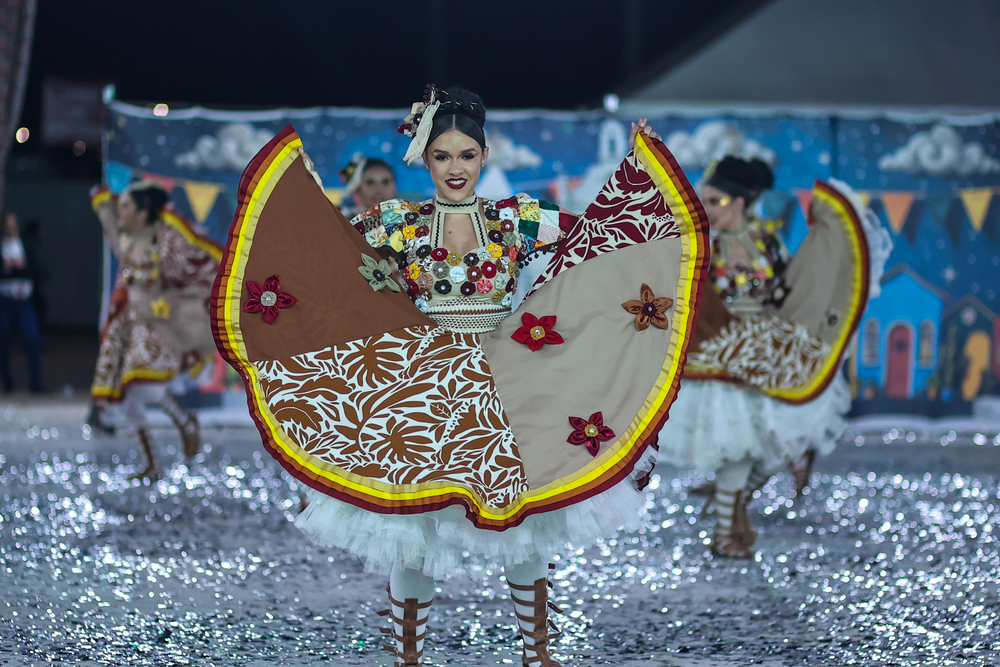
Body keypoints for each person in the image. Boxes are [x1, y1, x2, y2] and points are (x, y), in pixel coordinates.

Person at [213, 85, 709, 667]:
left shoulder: (514, 219)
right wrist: (299, 189)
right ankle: (408, 656)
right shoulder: (395, 224)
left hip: (505, 383)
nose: (455, 168)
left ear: (485, 155)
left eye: (466, 156)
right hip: (421, 386)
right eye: (442, 156)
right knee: (413, 530)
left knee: (526, 523)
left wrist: (639, 175)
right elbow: (323, 253)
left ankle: (537, 654)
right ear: (425, 159)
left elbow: (597, 238)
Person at [657, 156, 892, 558]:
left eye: (715, 200)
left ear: (742, 201)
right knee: (740, 447)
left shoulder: (766, 243)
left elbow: (792, 291)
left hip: (768, 354)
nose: (706, 209)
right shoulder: (699, 246)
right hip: (721, 358)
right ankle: (725, 533)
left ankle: (733, 500)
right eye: (705, 201)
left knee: (786, 444)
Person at [89, 181, 222, 480]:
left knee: (144, 385)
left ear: (142, 212)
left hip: (159, 325)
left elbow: (195, 266)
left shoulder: (165, 240)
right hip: (128, 324)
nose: (120, 210)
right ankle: (153, 464)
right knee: (127, 396)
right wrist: (101, 201)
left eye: (126, 206)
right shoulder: (125, 238)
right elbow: (110, 218)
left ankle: (184, 421)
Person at [0, 211, 44, 393]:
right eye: (7, 225)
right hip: (5, 299)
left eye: (13, 224)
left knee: (33, 338)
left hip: (23, 300)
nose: (11, 228)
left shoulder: (25, 245)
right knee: (3, 340)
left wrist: (13, 271)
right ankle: (7, 382)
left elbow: (33, 270)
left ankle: (36, 383)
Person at [338, 153, 397, 219]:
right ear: (357, 188)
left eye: (385, 182)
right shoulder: (343, 223)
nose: (379, 189)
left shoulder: (406, 221)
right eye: (370, 183)